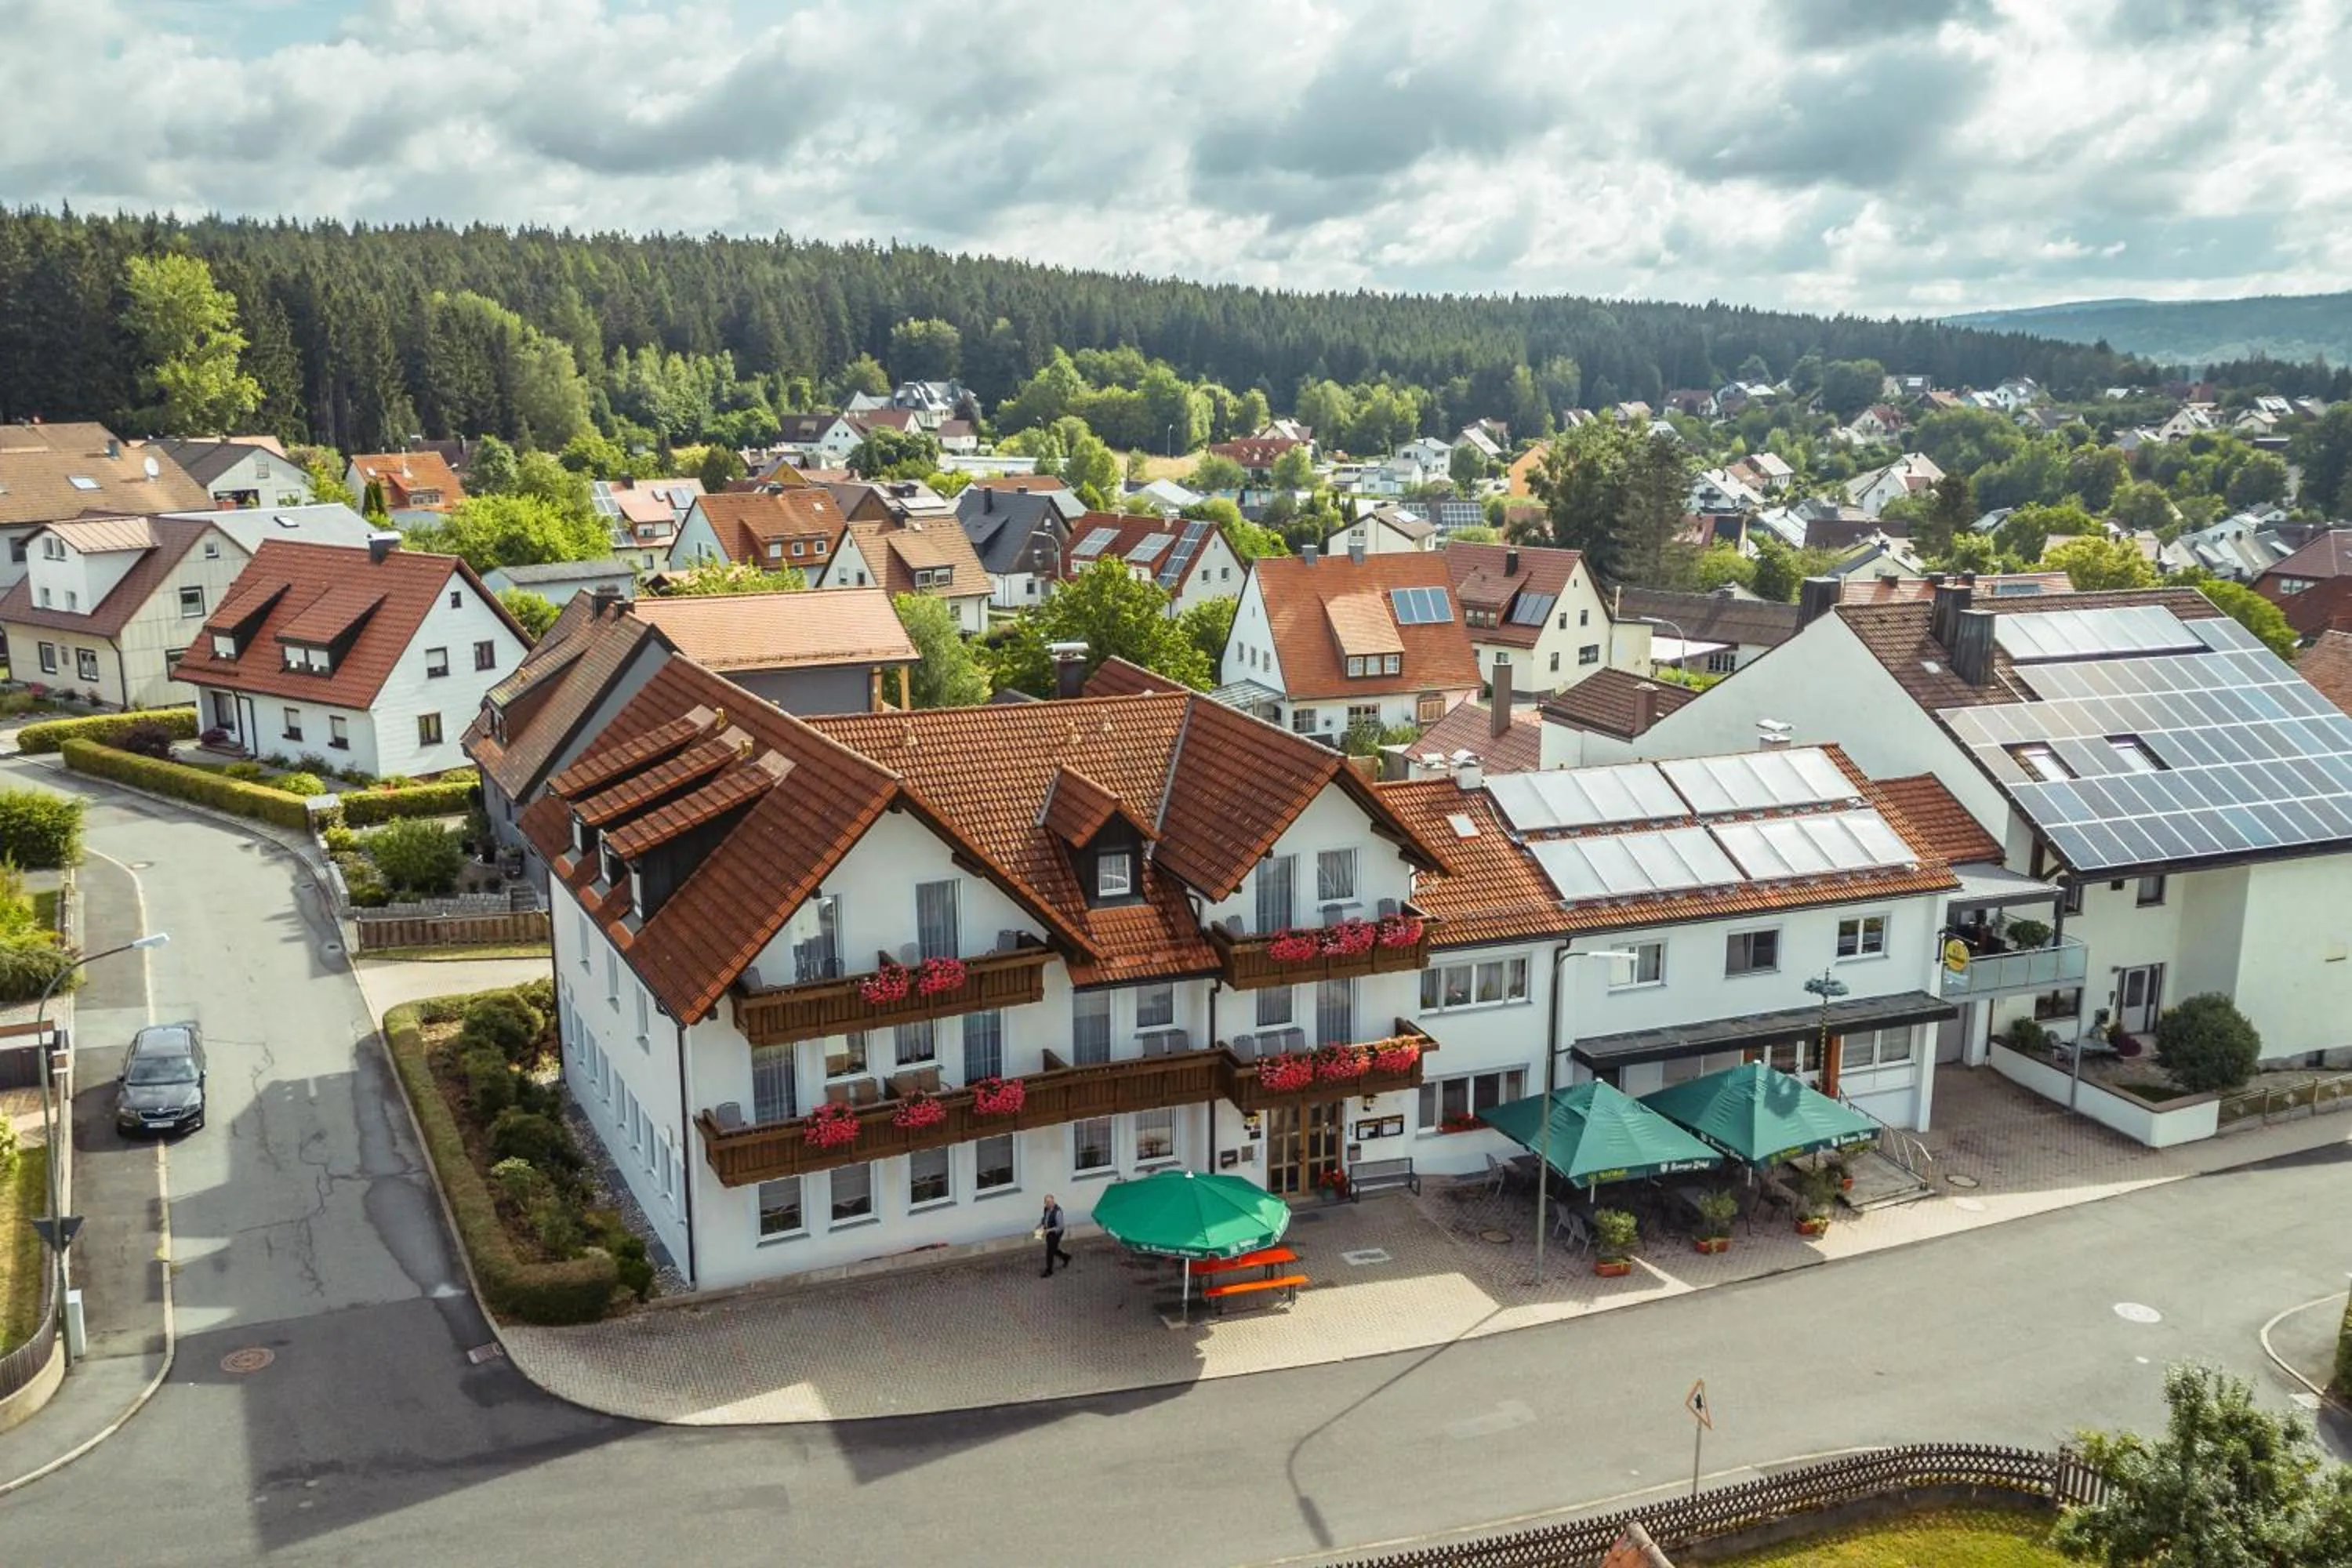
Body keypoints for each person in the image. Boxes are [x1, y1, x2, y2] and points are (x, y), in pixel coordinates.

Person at [1039, 1193, 1073, 1276]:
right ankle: (1066, 1257)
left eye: (1050, 1202)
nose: (1048, 1204)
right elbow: (1045, 1218)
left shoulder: (1058, 1212)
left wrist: (1049, 1230)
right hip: (1048, 1231)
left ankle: (1049, 1270)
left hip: (1056, 1233)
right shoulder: (1046, 1209)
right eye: (1046, 1202)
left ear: (1053, 1201)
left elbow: (1060, 1227)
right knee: (1053, 1249)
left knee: (1050, 1251)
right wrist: (1041, 1224)